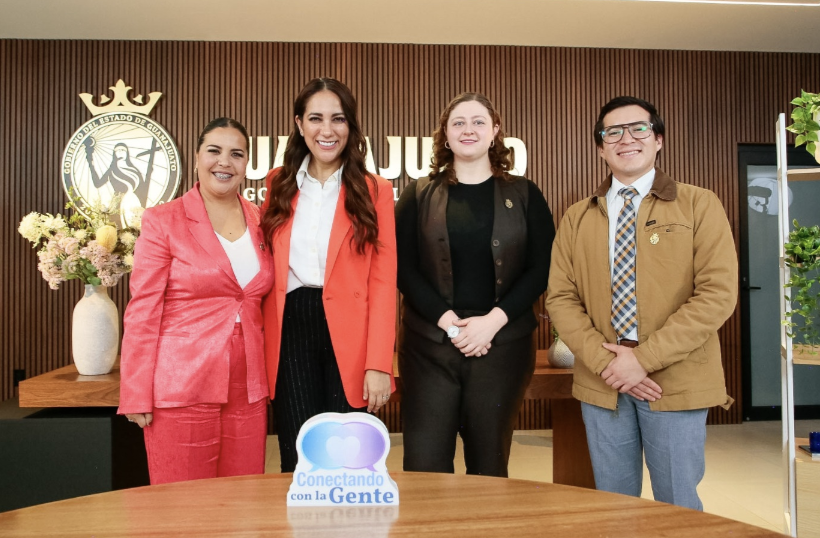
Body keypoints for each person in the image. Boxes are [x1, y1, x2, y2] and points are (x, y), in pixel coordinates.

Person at [545, 96, 737, 510]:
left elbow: (717, 293)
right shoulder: (577, 217)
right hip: (604, 381)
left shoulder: (698, 204)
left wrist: (642, 359)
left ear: (659, 139)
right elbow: (561, 297)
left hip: (676, 379)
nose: (625, 139)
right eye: (612, 132)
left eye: (638, 129)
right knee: (614, 504)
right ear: (600, 146)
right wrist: (609, 363)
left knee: (677, 504)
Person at [395, 92, 554, 477]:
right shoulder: (418, 193)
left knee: (489, 461)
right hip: (429, 346)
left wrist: (493, 321)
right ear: (445, 136)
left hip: (502, 344)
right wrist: (449, 323)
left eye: (479, 121)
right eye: (459, 123)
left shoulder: (526, 193)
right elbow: (401, 268)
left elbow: (542, 268)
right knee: (425, 462)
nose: (469, 129)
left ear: (495, 131)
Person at [118, 118, 274, 485]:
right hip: (181, 383)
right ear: (197, 156)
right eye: (214, 151)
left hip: (248, 388)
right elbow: (143, 310)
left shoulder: (262, 220)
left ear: (247, 163)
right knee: (182, 505)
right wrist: (136, 392)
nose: (225, 162)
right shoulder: (163, 220)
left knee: (243, 501)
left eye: (236, 154)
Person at [261, 77, 397, 473]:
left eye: (338, 119)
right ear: (299, 124)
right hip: (291, 327)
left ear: (351, 127)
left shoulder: (374, 190)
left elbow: (383, 281)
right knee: (299, 453)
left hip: (351, 331)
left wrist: (379, 364)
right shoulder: (277, 183)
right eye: (316, 118)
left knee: (349, 456)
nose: (327, 130)